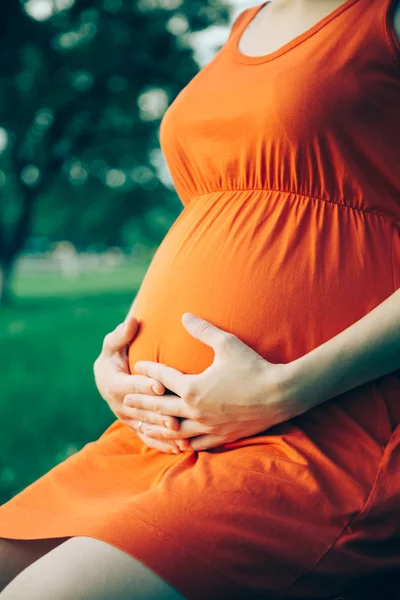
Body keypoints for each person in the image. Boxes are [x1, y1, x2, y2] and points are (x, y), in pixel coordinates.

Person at [1, 0, 400, 598]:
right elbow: (219, 216)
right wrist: (121, 365)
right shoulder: (247, 24)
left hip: (320, 433)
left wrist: (284, 389)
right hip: (161, 438)